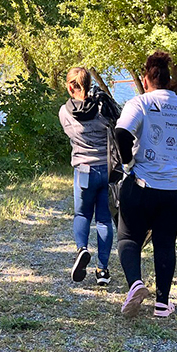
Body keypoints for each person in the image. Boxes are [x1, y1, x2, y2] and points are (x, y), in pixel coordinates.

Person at [115, 51, 177, 318]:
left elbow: (121, 133)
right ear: (168, 80)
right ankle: (163, 304)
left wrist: (129, 162)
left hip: (142, 185)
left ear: (145, 78)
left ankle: (136, 285)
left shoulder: (139, 103)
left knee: (129, 236)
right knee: (166, 242)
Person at [58, 67, 119, 286]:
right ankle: (103, 270)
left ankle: (82, 248)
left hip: (83, 170)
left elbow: (70, 134)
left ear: (69, 86)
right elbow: (116, 127)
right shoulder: (103, 109)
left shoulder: (64, 112)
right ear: (89, 83)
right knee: (104, 219)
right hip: (107, 169)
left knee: (82, 214)